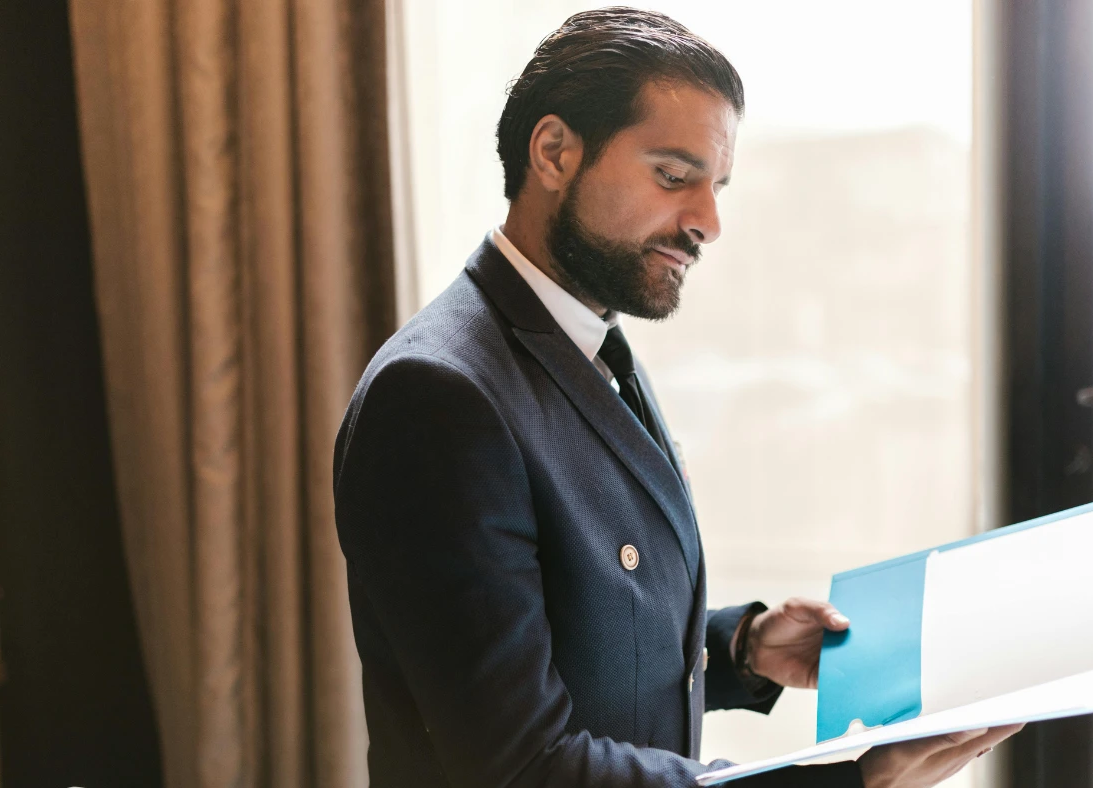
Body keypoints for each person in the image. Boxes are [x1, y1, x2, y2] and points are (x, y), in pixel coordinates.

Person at [332, 7, 1020, 787]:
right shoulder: (438, 399)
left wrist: (741, 647)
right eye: (673, 176)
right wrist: (843, 783)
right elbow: (521, 767)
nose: (708, 221)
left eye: (717, 185)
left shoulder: (588, 337)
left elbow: (581, 625)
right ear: (554, 152)